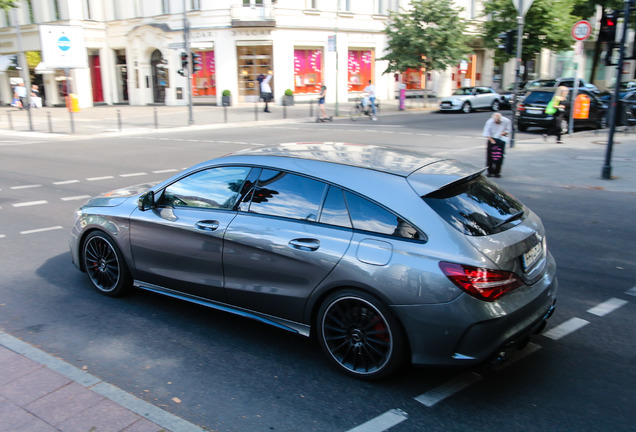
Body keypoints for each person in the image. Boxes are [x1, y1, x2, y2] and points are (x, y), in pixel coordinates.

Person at [482, 112, 512, 178]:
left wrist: (503, 133)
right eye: (496, 121)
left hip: (501, 139)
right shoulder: (489, 122)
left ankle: (497, 172)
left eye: (498, 121)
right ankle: (490, 172)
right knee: (490, 157)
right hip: (492, 139)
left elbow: (508, 130)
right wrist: (491, 140)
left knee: (499, 157)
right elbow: (486, 132)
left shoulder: (506, 121)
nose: (497, 122)